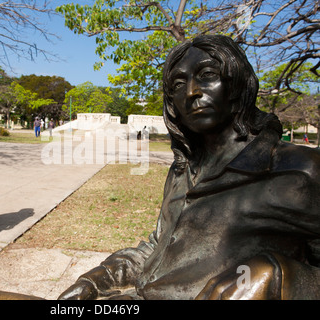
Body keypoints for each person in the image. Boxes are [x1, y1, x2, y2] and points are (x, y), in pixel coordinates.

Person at [58, 35, 320, 300]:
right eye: (178, 84)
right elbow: (157, 247)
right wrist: (98, 279)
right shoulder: (183, 169)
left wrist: (276, 276)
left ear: (238, 83)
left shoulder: (299, 170)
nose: (192, 91)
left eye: (207, 74)